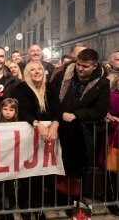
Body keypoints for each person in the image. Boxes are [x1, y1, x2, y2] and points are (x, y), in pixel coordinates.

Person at [51, 49, 109, 216]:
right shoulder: (64, 75)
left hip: (81, 133)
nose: (80, 69)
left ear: (94, 65)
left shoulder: (102, 83)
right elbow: (52, 96)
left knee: (77, 170)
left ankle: (74, 202)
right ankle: (58, 199)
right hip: (59, 128)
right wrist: (57, 115)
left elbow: (100, 110)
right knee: (57, 166)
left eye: (85, 66)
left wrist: (76, 115)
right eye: (78, 65)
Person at [15, 61, 59, 220]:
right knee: (27, 174)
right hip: (28, 136)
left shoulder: (50, 88)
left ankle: (38, 207)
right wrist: (37, 124)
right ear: (27, 73)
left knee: (43, 174)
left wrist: (55, 124)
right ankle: (24, 207)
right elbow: (24, 112)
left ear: (44, 71)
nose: (36, 72)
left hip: (47, 138)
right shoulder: (22, 88)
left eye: (39, 68)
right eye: (32, 69)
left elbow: (57, 109)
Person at [102, 76, 119, 216]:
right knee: (112, 171)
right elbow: (104, 111)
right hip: (114, 137)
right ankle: (112, 201)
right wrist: (110, 117)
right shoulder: (111, 95)